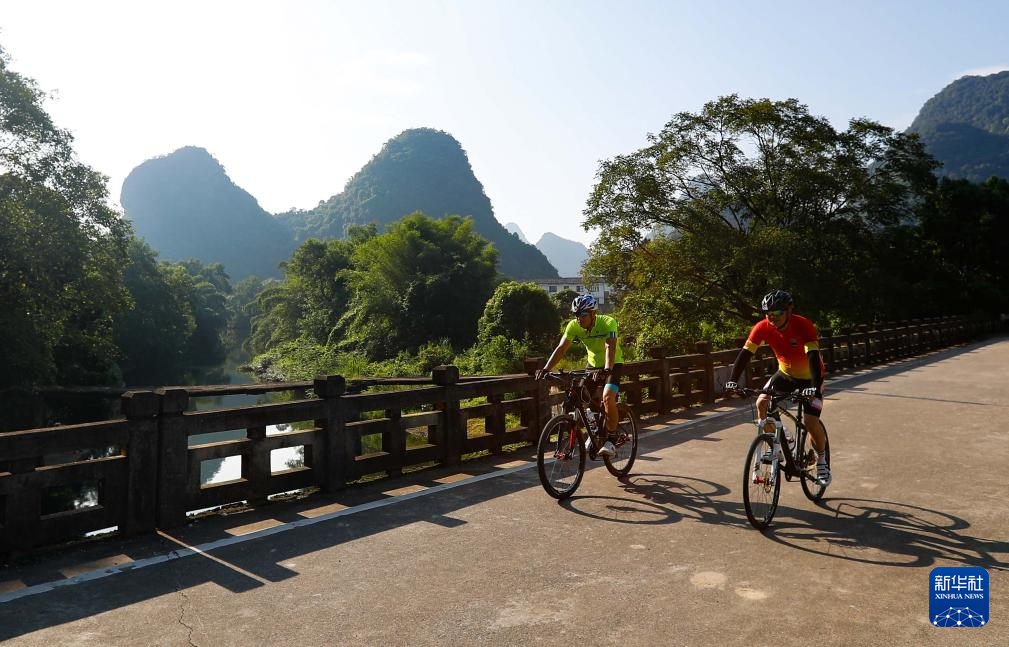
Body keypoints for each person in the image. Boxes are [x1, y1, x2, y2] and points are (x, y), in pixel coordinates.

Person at [724, 290, 831, 486]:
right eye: (768, 314)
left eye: (777, 313)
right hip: (785, 374)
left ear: (790, 310)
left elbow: (813, 357)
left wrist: (815, 387)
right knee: (762, 403)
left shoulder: (803, 325)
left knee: (810, 422)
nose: (772, 319)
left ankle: (822, 461)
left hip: (811, 378)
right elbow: (746, 353)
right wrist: (733, 380)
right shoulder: (762, 327)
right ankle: (785, 440)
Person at [536, 294, 623, 459]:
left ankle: (611, 439)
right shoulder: (574, 326)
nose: (579, 319)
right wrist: (546, 368)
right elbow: (562, 348)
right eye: (576, 315)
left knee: (607, 398)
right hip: (592, 365)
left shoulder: (608, 322)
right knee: (581, 398)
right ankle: (595, 431)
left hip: (612, 364)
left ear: (592, 313)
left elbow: (610, 347)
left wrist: (606, 369)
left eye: (583, 315)